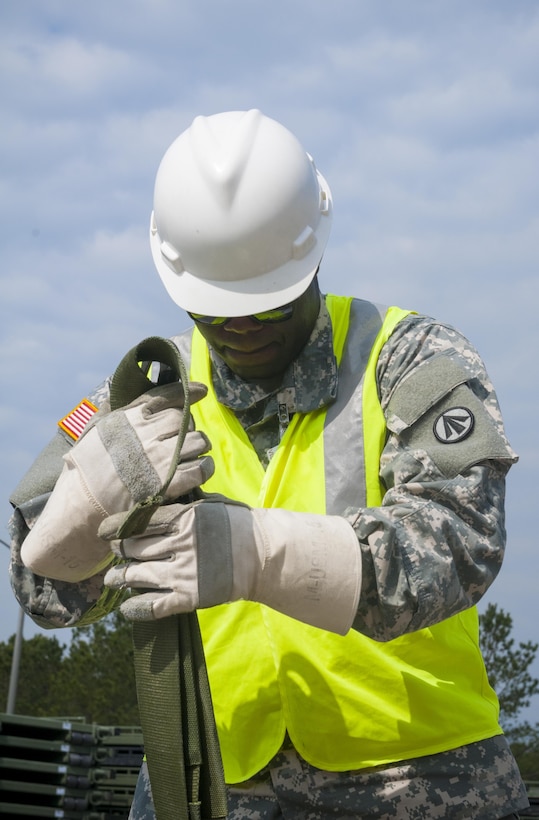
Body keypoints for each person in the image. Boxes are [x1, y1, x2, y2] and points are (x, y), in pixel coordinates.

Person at [8, 109, 529, 819]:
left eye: (264, 302)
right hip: (207, 774)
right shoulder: (146, 391)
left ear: (312, 253)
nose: (241, 327)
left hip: (420, 779)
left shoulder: (408, 357)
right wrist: (73, 527)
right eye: (217, 311)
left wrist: (255, 554)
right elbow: (40, 587)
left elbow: (459, 545)